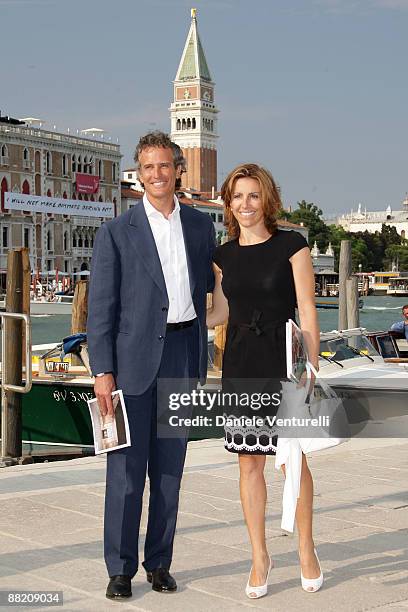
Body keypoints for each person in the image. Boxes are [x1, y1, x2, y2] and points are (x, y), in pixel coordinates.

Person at [87, 131, 215, 600]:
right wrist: (102, 371)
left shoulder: (202, 228)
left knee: (169, 472)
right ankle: (119, 569)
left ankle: (159, 563)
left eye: (164, 166)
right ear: (138, 174)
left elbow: (215, 290)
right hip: (130, 364)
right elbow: (100, 309)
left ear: (178, 169)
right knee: (124, 472)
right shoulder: (116, 232)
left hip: (182, 356)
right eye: (148, 168)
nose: (157, 175)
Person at [207, 163, 322, 599]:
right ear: (229, 203)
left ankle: (306, 547)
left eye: (253, 195)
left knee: (295, 458)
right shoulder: (223, 256)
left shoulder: (292, 246)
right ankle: (260, 556)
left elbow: (307, 309)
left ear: (267, 199)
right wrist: (172, 311)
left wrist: (310, 367)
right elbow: (221, 312)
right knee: (248, 461)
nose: (245, 204)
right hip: (240, 360)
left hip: (284, 357)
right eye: (238, 196)